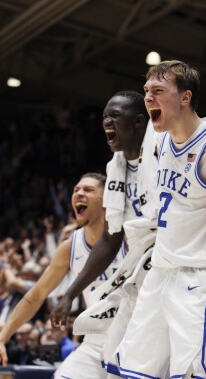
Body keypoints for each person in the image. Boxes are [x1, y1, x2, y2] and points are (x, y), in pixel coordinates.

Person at [111, 60, 206, 378]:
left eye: (158, 91)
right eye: (147, 91)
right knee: (134, 373)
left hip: (201, 278)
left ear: (185, 97)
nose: (148, 98)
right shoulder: (158, 139)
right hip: (161, 273)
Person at [0, 172, 123, 377]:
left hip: (134, 336)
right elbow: (36, 296)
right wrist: (1, 339)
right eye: (76, 190)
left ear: (106, 199)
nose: (79, 194)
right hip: (97, 341)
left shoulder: (127, 234)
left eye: (88, 190)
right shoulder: (70, 247)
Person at [51, 91, 149, 325]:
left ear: (138, 121)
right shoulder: (116, 167)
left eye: (115, 115)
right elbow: (110, 237)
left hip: (176, 265)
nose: (106, 121)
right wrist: (70, 294)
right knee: (115, 349)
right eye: (104, 116)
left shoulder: (164, 155)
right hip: (143, 267)